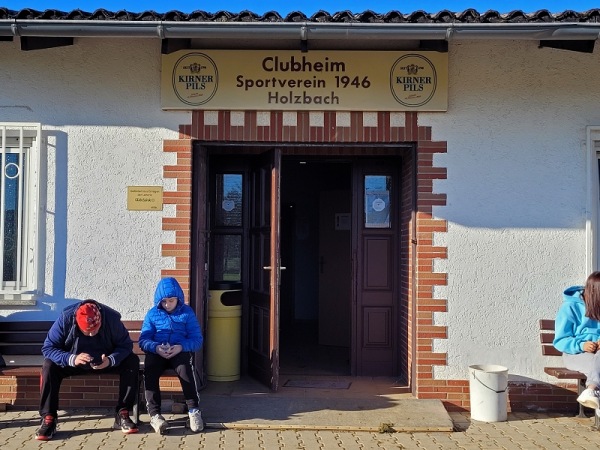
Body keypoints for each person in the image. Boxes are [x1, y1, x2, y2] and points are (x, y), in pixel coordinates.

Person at [36, 299, 140, 441]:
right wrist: (71, 359)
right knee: (49, 366)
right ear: (77, 322)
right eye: (87, 331)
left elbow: (126, 345)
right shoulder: (65, 318)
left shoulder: (111, 319)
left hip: (105, 361)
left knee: (131, 361)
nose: (91, 335)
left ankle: (123, 412)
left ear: (101, 320)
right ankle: (49, 418)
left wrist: (111, 360)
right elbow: (48, 348)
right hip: (74, 362)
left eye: (95, 330)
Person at [139, 277, 204, 435]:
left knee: (184, 368)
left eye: (171, 301)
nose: (168, 305)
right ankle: (155, 415)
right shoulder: (152, 314)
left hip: (179, 351)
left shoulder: (187, 313)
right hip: (158, 352)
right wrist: (156, 347)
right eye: (164, 301)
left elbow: (197, 339)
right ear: (159, 301)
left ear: (178, 299)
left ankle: (194, 411)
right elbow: (143, 340)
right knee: (150, 369)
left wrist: (181, 346)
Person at [554, 271, 600, 410]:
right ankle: (593, 391)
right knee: (596, 366)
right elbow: (560, 340)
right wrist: (582, 345)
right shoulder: (569, 307)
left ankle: (592, 390)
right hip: (574, 354)